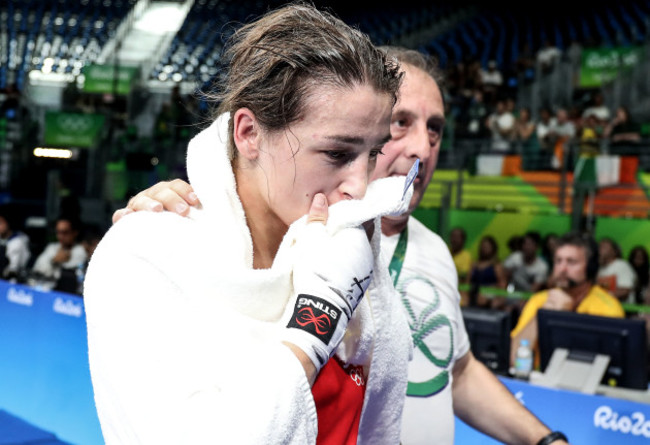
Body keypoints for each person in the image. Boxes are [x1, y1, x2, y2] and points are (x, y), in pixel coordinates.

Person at [121, 47, 570, 445]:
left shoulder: (433, 249)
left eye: (434, 129)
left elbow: (458, 369)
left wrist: (545, 438)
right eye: (401, 123)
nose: (423, 148)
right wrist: (178, 215)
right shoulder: (290, 238)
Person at [85, 5, 411, 444]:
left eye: (373, 154)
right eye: (337, 153)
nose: (359, 185)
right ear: (249, 133)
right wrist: (318, 319)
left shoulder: (346, 243)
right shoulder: (146, 253)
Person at [510, 232, 625, 367]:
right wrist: (543, 314)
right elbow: (513, 359)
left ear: (590, 268)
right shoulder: (539, 300)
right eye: (558, 261)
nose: (562, 269)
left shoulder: (608, 308)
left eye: (571, 262)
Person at [31, 215, 86, 280]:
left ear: (75, 233)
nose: (60, 237)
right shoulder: (51, 247)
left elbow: (62, 276)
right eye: (58, 232)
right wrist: (54, 261)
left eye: (65, 232)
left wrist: (51, 264)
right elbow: (37, 269)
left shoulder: (80, 251)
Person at [468, 235, 507, 308]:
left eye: (487, 247)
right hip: (474, 293)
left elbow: (502, 284)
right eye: (483, 246)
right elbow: (468, 281)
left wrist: (500, 298)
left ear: (493, 248)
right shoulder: (474, 264)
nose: (484, 249)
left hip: (491, 293)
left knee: (481, 298)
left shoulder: (496, 266)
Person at [597, 237, 637, 304]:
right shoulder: (599, 267)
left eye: (604, 247)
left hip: (621, 309)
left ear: (614, 252)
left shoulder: (621, 265)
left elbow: (625, 291)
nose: (599, 249)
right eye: (599, 246)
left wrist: (601, 299)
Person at [0, 204, 30, 279]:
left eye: (0, 223)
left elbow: (13, 269)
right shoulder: (2, 237)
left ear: (8, 223)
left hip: (13, 280)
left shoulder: (18, 241)